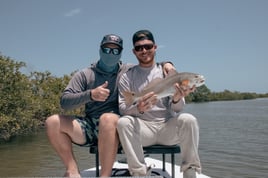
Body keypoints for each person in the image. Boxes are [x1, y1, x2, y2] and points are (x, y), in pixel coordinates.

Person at [45, 33, 175, 177]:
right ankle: (72, 170)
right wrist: (90, 95)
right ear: (100, 50)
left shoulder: (127, 71)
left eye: (115, 51)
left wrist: (168, 65)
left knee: (107, 118)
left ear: (120, 53)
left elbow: (150, 63)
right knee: (53, 122)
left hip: (118, 129)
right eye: (107, 49)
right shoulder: (85, 74)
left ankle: (104, 176)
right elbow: (65, 102)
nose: (111, 53)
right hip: (92, 126)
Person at [117, 29, 201, 178]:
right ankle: (140, 174)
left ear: (155, 47)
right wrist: (139, 108)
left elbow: (179, 108)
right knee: (123, 122)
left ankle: (190, 172)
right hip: (143, 130)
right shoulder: (127, 77)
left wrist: (176, 99)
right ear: (134, 51)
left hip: (167, 127)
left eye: (148, 46)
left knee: (189, 119)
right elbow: (123, 109)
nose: (144, 51)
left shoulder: (169, 73)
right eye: (139, 48)